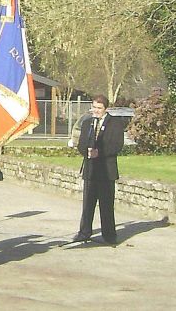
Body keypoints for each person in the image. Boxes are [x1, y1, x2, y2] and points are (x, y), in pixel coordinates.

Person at [73, 94, 125, 244]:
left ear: (106, 109)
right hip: (90, 170)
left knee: (106, 205)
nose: (96, 111)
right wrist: (86, 151)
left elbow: (117, 145)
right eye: (94, 107)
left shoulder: (115, 123)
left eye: (99, 108)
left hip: (106, 171)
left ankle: (109, 235)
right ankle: (84, 232)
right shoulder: (87, 123)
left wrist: (99, 153)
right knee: (87, 204)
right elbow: (81, 143)